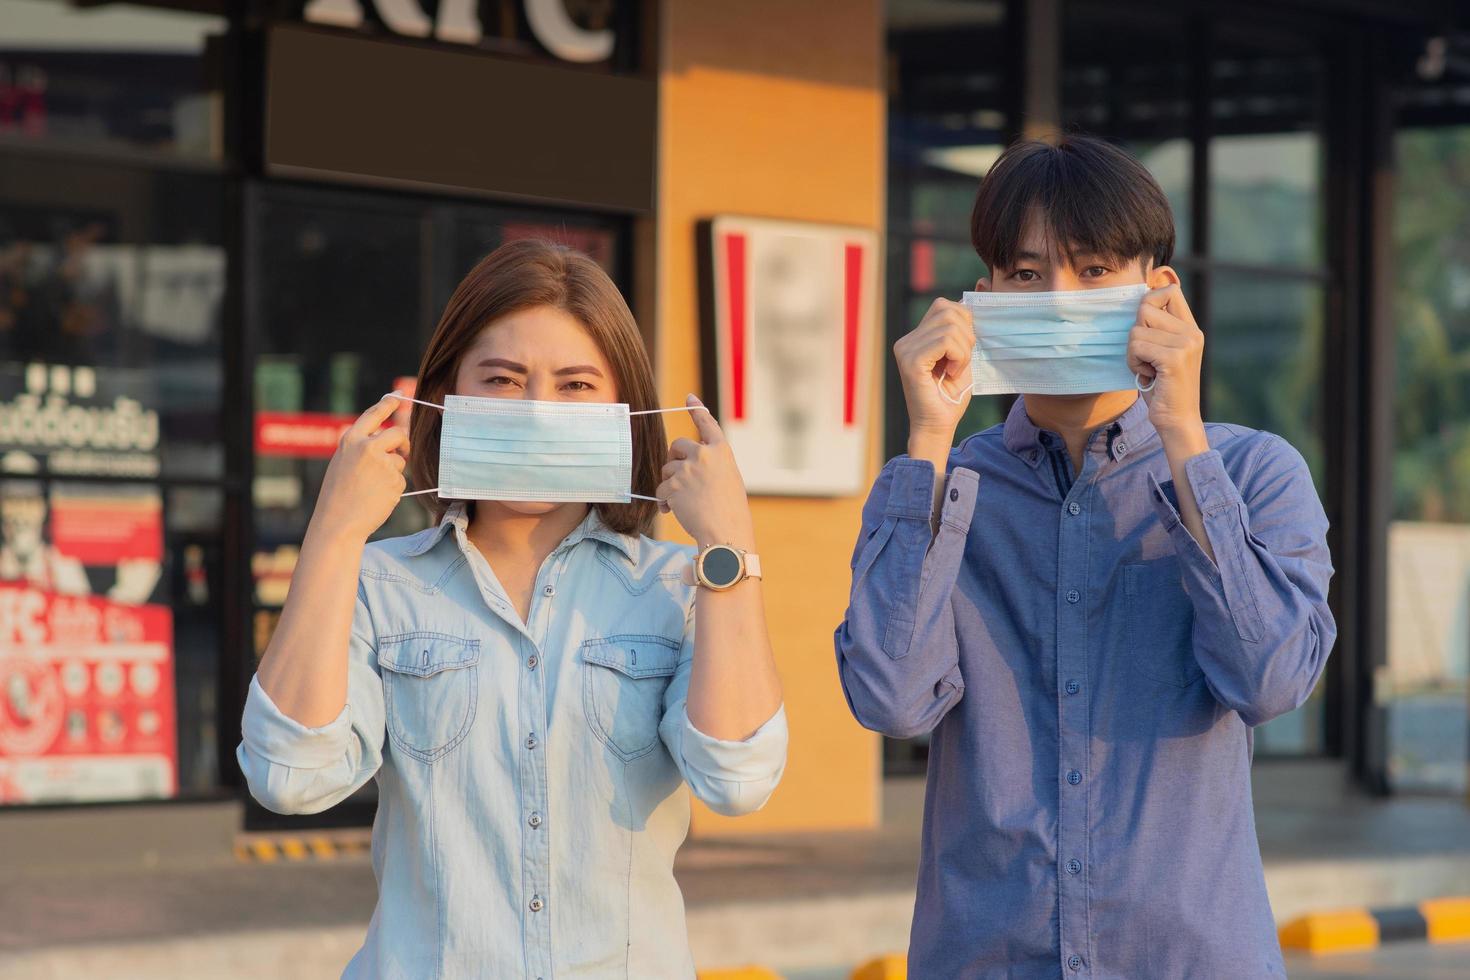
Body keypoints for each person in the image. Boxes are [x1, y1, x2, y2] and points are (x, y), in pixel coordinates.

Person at [835, 135, 1335, 978]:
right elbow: (890, 700)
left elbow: (1271, 680)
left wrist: (1181, 433)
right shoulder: (943, 488)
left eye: (1096, 269)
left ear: (1159, 292)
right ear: (984, 293)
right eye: (1028, 276)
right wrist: (926, 435)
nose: (1060, 299)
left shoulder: (1251, 472)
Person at [238, 239, 787, 978]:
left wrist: (729, 545)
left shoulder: (679, 587)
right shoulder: (378, 581)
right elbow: (290, 778)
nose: (537, 412)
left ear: (623, 409)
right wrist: (334, 530)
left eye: (575, 385)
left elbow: (739, 778)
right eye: (502, 379)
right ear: (446, 394)